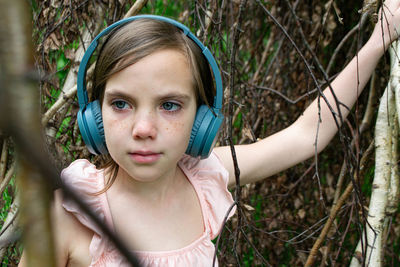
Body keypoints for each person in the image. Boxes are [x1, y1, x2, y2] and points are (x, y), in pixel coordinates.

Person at [19, 0, 400, 266]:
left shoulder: (204, 177)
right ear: (94, 115)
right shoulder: (67, 215)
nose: (144, 129)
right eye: (121, 104)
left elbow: (307, 134)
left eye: (170, 105)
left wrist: (380, 38)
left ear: (202, 122)